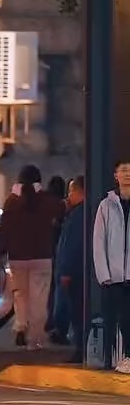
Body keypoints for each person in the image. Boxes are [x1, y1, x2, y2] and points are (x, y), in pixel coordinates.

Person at [0, 164, 65, 349]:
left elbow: (4, 229)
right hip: (42, 257)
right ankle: (35, 338)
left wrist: (1, 251)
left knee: (20, 296)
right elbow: (61, 209)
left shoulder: (12, 201)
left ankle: (21, 326)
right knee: (39, 299)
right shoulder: (46, 200)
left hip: (17, 258)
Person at [93, 160, 130, 373]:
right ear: (116, 175)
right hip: (114, 276)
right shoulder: (106, 205)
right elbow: (99, 241)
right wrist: (103, 274)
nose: (127, 174)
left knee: (127, 317)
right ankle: (115, 358)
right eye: (123, 170)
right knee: (116, 318)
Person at [56, 176, 85, 364]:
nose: (69, 196)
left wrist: (66, 271)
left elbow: (72, 245)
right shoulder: (80, 213)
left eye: (71, 191)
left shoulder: (78, 216)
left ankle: (80, 349)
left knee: (77, 312)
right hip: (77, 271)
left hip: (75, 273)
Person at [45, 175, 68, 341]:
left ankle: (48, 320)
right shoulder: (62, 206)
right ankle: (55, 321)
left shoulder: (44, 205)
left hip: (45, 252)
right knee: (57, 290)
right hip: (58, 251)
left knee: (48, 289)